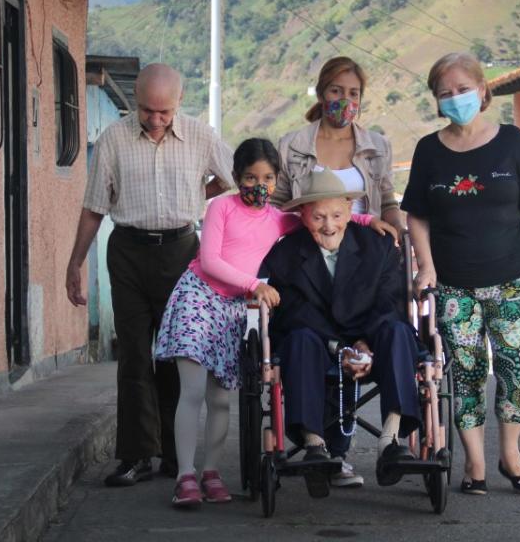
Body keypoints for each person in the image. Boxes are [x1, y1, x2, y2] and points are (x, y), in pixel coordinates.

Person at [153, 139, 395, 508]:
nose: (259, 185)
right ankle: (185, 474)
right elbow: (210, 259)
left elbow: (323, 213)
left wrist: (368, 219)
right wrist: (254, 284)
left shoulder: (278, 218)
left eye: (267, 177)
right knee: (192, 391)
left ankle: (211, 473)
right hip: (201, 299)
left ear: (277, 178)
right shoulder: (221, 206)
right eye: (250, 177)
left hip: (239, 309)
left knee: (221, 399)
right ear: (236, 178)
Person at [64, 63, 234, 488]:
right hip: (129, 253)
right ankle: (136, 455)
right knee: (136, 355)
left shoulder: (200, 136)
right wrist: (75, 264)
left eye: (164, 113)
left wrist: (198, 192)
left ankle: (177, 458)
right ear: (136, 102)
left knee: (178, 356)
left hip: (182, 253)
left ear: (178, 103)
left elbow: (232, 178)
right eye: (146, 111)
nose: (155, 121)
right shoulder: (114, 139)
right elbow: (93, 207)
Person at [400, 52, 520, 496]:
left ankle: (510, 455)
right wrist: (425, 263)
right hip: (453, 286)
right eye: (445, 93)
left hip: (511, 280)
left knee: (515, 370)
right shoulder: (429, 150)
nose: (455, 98)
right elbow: (417, 217)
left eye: (463, 89)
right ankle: (476, 463)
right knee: (464, 373)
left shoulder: (511, 141)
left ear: (483, 91)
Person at [271, 56, 402, 486]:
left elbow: (385, 199)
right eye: (336, 92)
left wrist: (396, 245)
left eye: (353, 94)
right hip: (311, 247)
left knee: (391, 324)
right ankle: (321, 448)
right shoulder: (292, 144)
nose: (344, 101)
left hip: (364, 252)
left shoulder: (376, 146)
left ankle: (389, 442)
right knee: (308, 328)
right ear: (321, 92)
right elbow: (279, 208)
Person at [262, 168, 421, 499]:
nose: (328, 225)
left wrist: (363, 344)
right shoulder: (286, 252)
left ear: (351, 212)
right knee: (298, 339)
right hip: (319, 342)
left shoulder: (378, 247)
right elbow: (293, 310)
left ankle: (390, 441)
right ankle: (315, 446)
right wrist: (339, 348)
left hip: (373, 338)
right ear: (302, 215)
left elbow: (389, 301)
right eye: (318, 216)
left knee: (398, 330)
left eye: (336, 214)